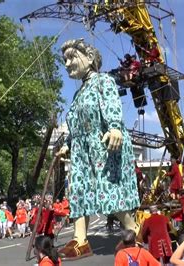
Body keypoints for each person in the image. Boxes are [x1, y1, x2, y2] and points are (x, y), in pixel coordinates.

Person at [57, 39, 140, 260]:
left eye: (71, 57)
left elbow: (112, 104)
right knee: (78, 192)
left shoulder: (104, 81)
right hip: (82, 151)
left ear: (90, 58)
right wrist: (68, 144)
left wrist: (114, 127)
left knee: (109, 191)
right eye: (64, 60)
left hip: (103, 146)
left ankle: (134, 231)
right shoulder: (77, 95)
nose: (67, 64)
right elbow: (75, 123)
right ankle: (80, 240)